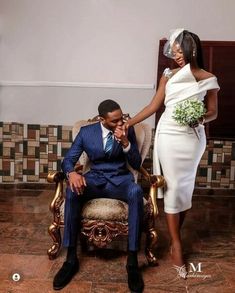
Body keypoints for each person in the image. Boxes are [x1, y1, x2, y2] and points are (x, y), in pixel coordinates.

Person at [123, 29, 220, 278]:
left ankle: (175, 234)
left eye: (179, 51)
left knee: (185, 189)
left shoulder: (208, 78)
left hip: (192, 139)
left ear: (192, 50)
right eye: (173, 51)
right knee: (174, 188)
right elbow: (154, 106)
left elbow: (213, 112)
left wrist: (200, 116)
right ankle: (177, 245)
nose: (175, 55)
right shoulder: (168, 75)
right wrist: (129, 123)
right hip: (168, 135)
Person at [53, 99, 144, 292]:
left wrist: (126, 142)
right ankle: (70, 259)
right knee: (71, 190)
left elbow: (136, 164)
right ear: (103, 120)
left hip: (120, 180)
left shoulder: (128, 130)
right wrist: (72, 173)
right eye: (114, 121)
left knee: (136, 191)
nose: (120, 124)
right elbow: (68, 160)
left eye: (122, 118)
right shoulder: (87, 133)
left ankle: (132, 261)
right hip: (95, 180)